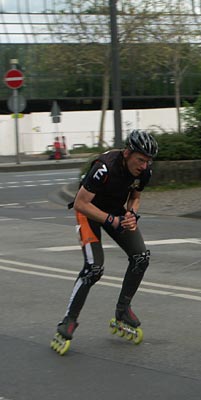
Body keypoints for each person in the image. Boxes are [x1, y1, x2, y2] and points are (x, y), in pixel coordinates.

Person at [51, 129, 158, 354]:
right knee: (94, 268)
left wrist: (131, 214)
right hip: (88, 212)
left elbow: (135, 196)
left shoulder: (144, 171)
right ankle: (68, 320)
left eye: (148, 161)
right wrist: (111, 220)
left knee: (141, 258)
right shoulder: (104, 167)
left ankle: (122, 310)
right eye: (140, 160)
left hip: (115, 212)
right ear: (127, 153)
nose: (144, 166)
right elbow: (80, 203)